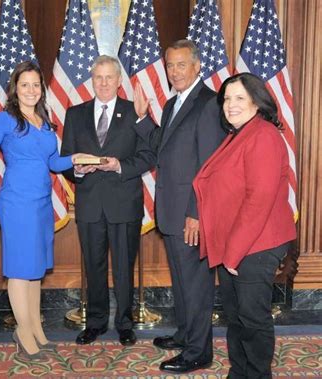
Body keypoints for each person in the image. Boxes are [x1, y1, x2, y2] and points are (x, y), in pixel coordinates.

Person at [0, 61, 90, 359]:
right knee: (20, 270)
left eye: (36, 84)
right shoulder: (5, 119)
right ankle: (23, 334)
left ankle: (36, 329)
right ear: (15, 89)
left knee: (35, 270)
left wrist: (76, 158)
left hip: (40, 204)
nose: (31, 90)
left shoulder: (43, 120)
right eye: (25, 84)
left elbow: (51, 162)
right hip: (17, 203)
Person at [193, 73, 297, 378]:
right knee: (236, 318)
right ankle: (239, 372)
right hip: (235, 243)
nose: (230, 105)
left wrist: (233, 253)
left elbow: (258, 201)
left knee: (252, 320)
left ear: (256, 101)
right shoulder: (240, 133)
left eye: (239, 98)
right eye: (226, 98)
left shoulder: (263, 135)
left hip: (256, 245)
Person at [133, 39, 225, 372]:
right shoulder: (173, 104)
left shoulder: (209, 103)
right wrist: (144, 120)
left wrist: (195, 214)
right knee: (183, 280)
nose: (175, 71)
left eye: (181, 64)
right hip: (171, 211)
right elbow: (163, 148)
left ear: (197, 66)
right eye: (170, 65)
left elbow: (209, 167)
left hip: (191, 214)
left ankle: (199, 353)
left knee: (197, 285)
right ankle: (186, 333)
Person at [61, 55, 155, 347]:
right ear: (92, 80)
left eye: (109, 77)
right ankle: (96, 323)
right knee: (94, 266)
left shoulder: (135, 112)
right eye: (98, 77)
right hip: (89, 204)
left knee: (124, 267)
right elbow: (66, 159)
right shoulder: (75, 114)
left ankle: (125, 324)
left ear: (118, 81)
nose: (103, 83)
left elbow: (149, 154)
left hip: (123, 202)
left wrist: (119, 166)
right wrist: (76, 169)